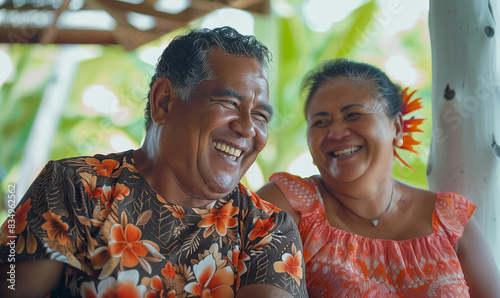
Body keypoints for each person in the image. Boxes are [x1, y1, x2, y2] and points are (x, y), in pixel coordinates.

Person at [0, 26, 308, 298]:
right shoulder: (75, 186)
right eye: (229, 102)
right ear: (164, 101)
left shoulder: (266, 229)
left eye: (260, 115)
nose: (248, 128)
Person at [257, 58, 500, 297]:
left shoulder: (451, 219)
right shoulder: (287, 205)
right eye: (321, 121)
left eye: (353, 114)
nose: (336, 132)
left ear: (397, 127)